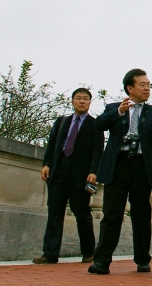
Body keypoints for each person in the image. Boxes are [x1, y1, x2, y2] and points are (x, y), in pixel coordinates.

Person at [88, 69, 152, 275]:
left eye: (148, 84)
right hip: (118, 166)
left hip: (141, 167)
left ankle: (143, 259)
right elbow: (98, 125)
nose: (146, 88)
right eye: (142, 84)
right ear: (130, 88)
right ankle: (102, 260)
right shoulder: (115, 108)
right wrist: (118, 112)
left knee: (142, 216)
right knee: (111, 215)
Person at [33, 88, 104, 265]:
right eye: (78, 98)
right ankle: (50, 253)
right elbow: (52, 145)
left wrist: (94, 172)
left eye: (85, 99)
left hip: (81, 176)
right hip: (58, 173)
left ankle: (89, 253)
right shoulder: (61, 122)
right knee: (54, 213)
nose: (82, 101)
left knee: (83, 214)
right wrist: (46, 164)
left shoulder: (95, 125)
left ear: (90, 102)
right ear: (72, 101)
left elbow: (98, 151)